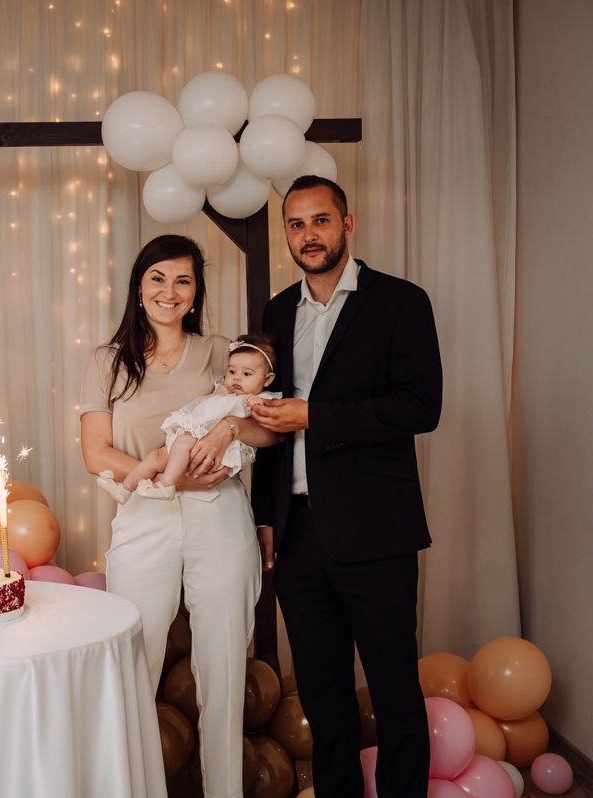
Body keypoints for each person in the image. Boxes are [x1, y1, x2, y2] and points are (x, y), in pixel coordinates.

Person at [249, 175, 442, 798]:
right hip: (298, 533)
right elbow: (268, 416)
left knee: (394, 691)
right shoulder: (277, 310)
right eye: (296, 224)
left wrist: (316, 416)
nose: (308, 235)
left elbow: (421, 406)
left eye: (321, 221)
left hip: (377, 528)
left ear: (347, 224)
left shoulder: (401, 302)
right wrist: (264, 516)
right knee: (323, 694)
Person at [79, 234, 271, 798]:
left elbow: (266, 426)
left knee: (224, 669)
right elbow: (95, 453)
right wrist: (169, 474)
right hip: (145, 514)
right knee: (132, 664)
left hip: (219, 515)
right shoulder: (107, 361)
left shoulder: (220, 351)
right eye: (158, 278)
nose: (170, 291)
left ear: (196, 292)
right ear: (139, 287)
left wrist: (228, 427)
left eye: (183, 280)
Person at [96, 333, 281, 503]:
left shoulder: (258, 400)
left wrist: (256, 404)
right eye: (232, 372)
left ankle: (167, 484)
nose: (237, 378)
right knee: (155, 456)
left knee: (181, 445)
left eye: (247, 374)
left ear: (267, 379)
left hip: (210, 448)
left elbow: (269, 427)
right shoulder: (225, 391)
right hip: (194, 436)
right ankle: (125, 488)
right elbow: (207, 405)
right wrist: (221, 391)